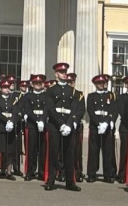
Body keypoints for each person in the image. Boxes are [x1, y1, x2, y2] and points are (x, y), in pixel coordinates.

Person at [45, 63, 81, 191]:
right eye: (61, 72)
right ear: (56, 74)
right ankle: (51, 180)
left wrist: (69, 124)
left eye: (65, 71)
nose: (64, 73)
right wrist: (61, 124)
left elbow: (74, 109)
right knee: (53, 154)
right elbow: (50, 109)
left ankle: (70, 182)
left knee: (69, 155)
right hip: (55, 126)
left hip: (68, 125)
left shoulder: (73, 91)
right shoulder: (50, 90)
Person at [86, 74, 117, 183]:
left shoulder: (111, 95)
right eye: (98, 83)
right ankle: (91, 173)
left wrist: (108, 122)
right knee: (93, 150)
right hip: (95, 126)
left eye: (102, 83)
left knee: (108, 150)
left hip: (107, 126)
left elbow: (114, 110)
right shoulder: (91, 96)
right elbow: (90, 111)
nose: (101, 85)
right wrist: (99, 123)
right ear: (95, 84)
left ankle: (108, 174)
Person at [0, 79, 18, 180]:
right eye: (4, 88)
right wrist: (7, 121)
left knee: (10, 151)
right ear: (0, 89)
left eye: (8, 87)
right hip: (0, 127)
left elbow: (15, 112)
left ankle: (9, 172)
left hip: (10, 128)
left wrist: (12, 121)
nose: (7, 89)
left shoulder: (13, 100)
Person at [22, 74, 47, 181]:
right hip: (32, 125)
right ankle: (30, 172)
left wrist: (42, 120)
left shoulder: (47, 96)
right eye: (35, 83)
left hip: (44, 125)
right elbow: (27, 110)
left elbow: (47, 109)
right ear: (32, 84)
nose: (38, 85)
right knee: (31, 149)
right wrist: (37, 121)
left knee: (43, 150)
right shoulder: (27, 96)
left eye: (40, 83)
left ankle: (42, 172)